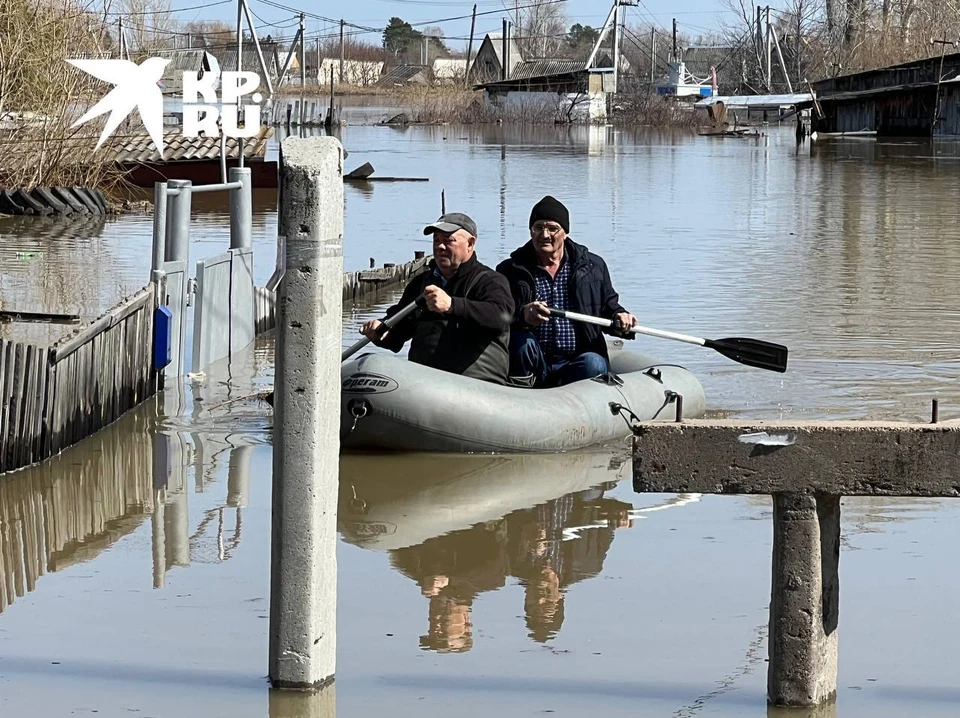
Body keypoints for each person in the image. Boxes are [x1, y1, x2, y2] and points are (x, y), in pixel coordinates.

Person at [496, 196, 639, 387]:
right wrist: (524, 315)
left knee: (594, 363)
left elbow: (608, 307)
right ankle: (522, 396)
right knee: (522, 342)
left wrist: (621, 317)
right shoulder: (511, 269)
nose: (544, 235)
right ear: (531, 230)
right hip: (536, 358)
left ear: (565, 233)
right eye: (538, 227)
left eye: (552, 228)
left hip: (577, 358)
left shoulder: (592, 267)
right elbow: (498, 316)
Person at [360, 212, 515, 384]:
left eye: (448, 240)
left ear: (470, 244)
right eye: (436, 240)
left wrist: (452, 305)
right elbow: (400, 328)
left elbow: (502, 316)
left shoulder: (490, 281)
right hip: (424, 385)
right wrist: (382, 332)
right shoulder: (422, 283)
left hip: (476, 386)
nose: (440, 246)